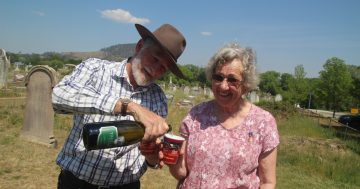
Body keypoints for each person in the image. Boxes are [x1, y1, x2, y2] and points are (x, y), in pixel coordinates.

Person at [52, 23, 186, 189]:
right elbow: (58, 97)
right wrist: (129, 106)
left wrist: (152, 155)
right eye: (155, 58)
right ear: (139, 46)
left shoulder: (158, 97)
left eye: (163, 68)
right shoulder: (96, 69)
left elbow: (152, 162)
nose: (155, 70)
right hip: (76, 183)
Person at [167, 43, 280, 189]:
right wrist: (171, 158)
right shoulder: (196, 115)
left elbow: (268, 182)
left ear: (245, 84)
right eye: (218, 77)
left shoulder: (263, 122)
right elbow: (182, 172)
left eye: (232, 79)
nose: (223, 86)